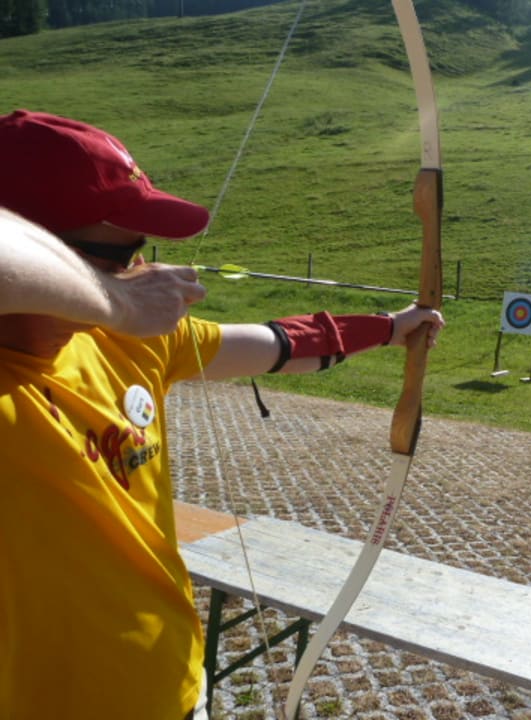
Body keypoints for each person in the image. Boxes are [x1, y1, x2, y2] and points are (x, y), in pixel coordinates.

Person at [0, 109, 444, 720]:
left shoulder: (127, 340)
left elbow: (274, 345)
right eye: (122, 252)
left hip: (177, 688)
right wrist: (117, 300)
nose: (141, 269)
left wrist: (389, 330)